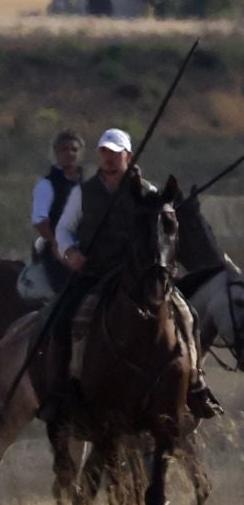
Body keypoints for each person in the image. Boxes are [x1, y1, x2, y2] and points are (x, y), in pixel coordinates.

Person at [45, 128, 220, 422]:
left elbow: (166, 226)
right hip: (95, 272)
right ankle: (65, 390)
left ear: (128, 155)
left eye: (116, 153)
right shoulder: (82, 193)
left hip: (140, 274)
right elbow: (63, 229)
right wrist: (70, 252)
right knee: (63, 320)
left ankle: (195, 384)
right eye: (105, 153)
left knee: (188, 315)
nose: (110, 159)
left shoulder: (148, 192)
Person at [23, 129, 85, 299]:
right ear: (56, 154)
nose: (70, 154)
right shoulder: (47, 185)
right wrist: (57, 243)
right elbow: (40, 221)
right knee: (69, 295)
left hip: (85, 248)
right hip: (57, 252)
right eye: (64, 149)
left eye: (74, 149)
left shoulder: (87, 186)